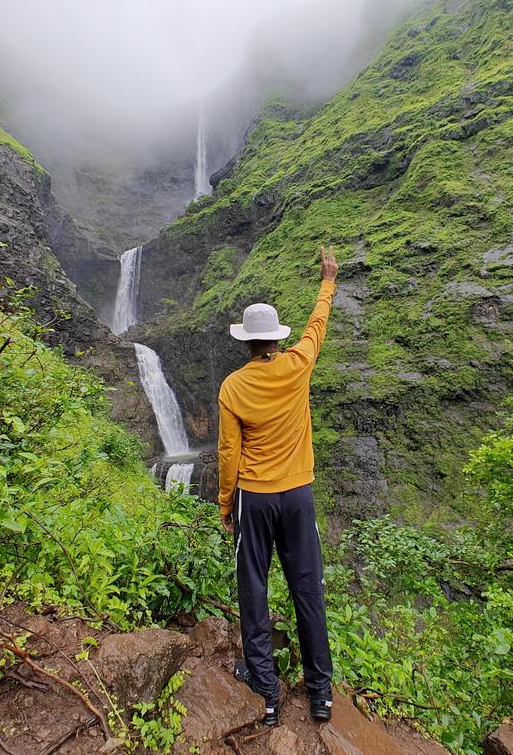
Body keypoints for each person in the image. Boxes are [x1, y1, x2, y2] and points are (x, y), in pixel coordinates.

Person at [218, 245, 339, 726]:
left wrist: (227, 503)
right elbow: (316, 328)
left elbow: (229, 454)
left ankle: (266, 692)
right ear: (275, 340)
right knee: (307, 589)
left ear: (246, 342)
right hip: (298, 496)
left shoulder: (232, 387)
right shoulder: (298, 364)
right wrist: (327, 281)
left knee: (254, 588)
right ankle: (320, 693)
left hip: (255, 498)